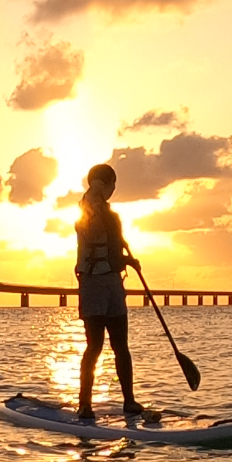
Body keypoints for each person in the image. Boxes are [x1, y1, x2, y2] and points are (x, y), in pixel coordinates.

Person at [75, 164, 145, 420]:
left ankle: (126, 402)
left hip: (108, 285)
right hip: (97, 285)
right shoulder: (93, 211)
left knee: (113, 346)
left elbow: (112, 251)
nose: (114, 190)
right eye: (112, 185)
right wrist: (128, 262)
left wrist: (126, 261)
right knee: (103, 347)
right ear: (104, 185)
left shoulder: (89, 210)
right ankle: (86, 405)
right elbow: (111, 253)